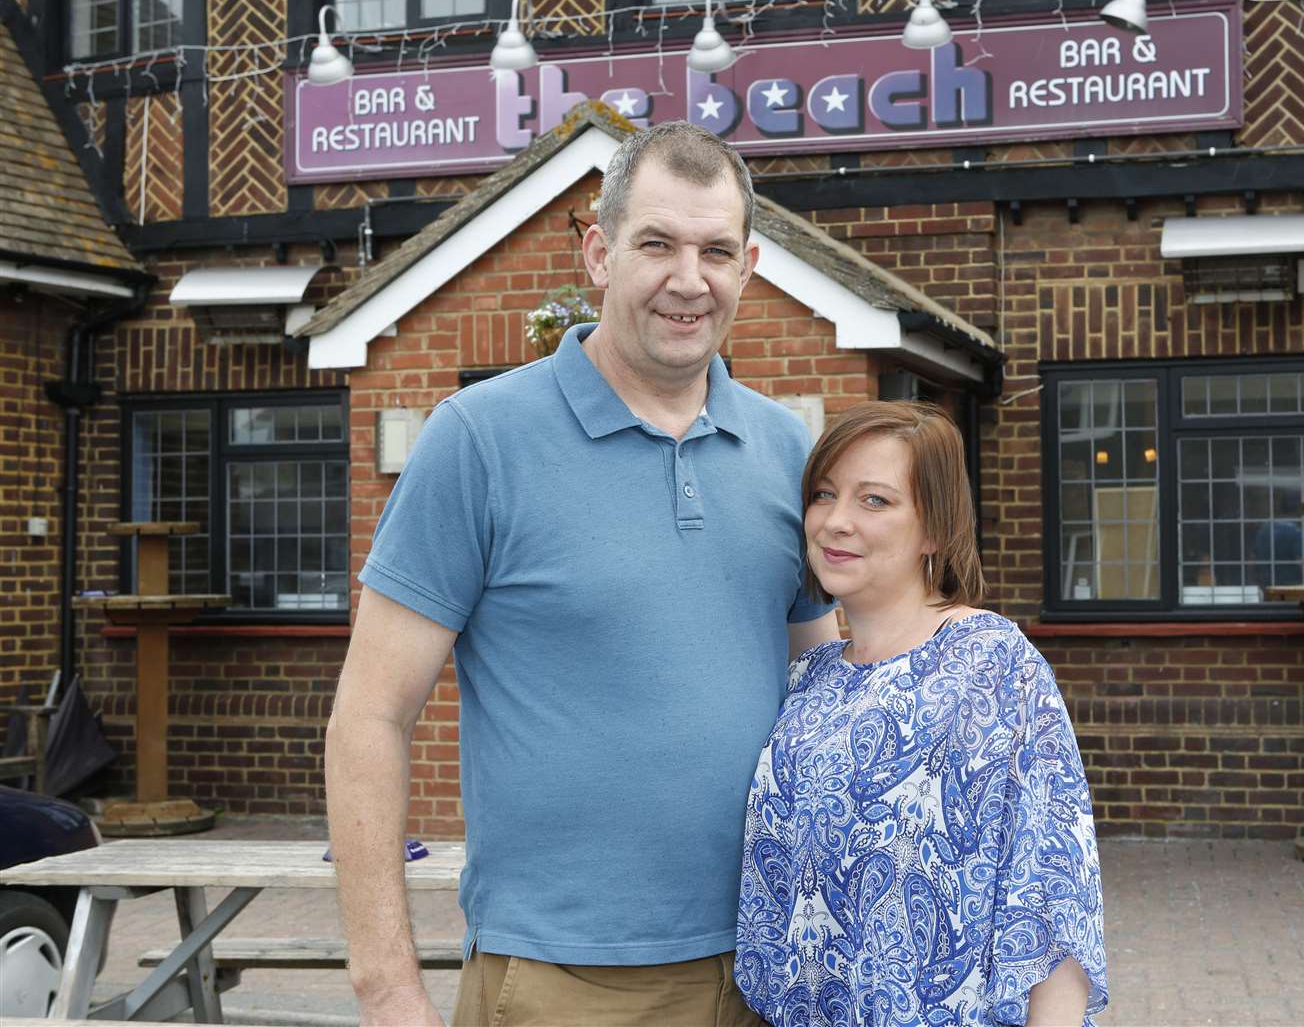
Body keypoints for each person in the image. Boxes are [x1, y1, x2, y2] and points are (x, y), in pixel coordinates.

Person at [325, 120, 840, 1027]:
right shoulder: (479, 440)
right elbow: (370, 715)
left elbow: (826, 698)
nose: (690, 280)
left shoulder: (786, 451)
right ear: (600, 255)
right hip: (564, 983)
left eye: (717, 250)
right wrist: (388, 989)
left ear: (749, 266)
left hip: (772, 967)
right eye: (658, 245)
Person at [736, 401, 1108, 1027]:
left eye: (874, 500)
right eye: (824, 495)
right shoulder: (810, 681)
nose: (836, 522)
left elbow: (1054, 889)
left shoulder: (990, 664)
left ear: (934, 528)